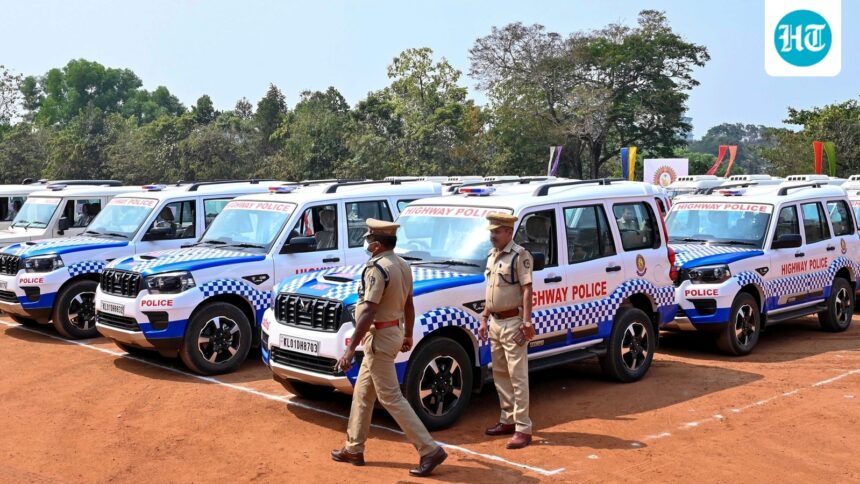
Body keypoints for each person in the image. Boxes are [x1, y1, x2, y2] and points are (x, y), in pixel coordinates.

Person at [332, 218, 447, 477]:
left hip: (380, 337)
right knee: (363, 393)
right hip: (391, 332)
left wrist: (350, 349)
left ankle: (429, 450)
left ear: (376, 245)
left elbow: (369, 310)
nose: (366, 242)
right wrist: (407, 333)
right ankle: (354, 447)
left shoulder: (377, 269)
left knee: (390, 397)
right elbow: (408, 303)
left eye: (369, 238)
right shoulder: (402, 265)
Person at [478, 213, 535, 449]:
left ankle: (523, 427)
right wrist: (484, 317)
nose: (492, 235)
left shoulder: (519, 255)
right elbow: (491, 290)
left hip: (513, 323)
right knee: (500, 374)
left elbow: (527, 288)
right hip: (495, 323)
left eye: (497, 231)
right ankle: (507, 419)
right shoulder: (492, 256)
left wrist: (527, 321)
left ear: (509, 233)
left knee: (517, 376)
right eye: (491, 231)